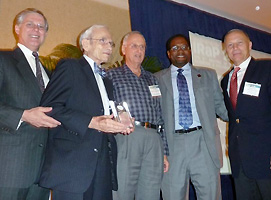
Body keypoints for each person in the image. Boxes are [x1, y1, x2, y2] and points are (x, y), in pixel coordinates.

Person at [38, 25, 132, 200]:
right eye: (102, 40)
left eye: (111, 43)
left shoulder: (107, 81)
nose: (109, 47)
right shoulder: (70, 67)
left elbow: (102, 117)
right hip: (72, 164)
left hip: (102, 162)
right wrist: (92, 122)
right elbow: (50, 107)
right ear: (85, 44)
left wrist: (119, 124)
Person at [221, 29, 271, 200]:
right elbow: (236, 118)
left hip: (270, 160)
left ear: (250, 45)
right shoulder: (226, 80)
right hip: (241, 165)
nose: (235, 48)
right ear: (226, 50)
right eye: (230, 45)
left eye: (239, 43)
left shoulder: (269, 68)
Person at [155, 34, 228, 200]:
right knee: (173, 195)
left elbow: (222, 107)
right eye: (175, 48)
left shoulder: (208, 75)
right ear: (168, 53)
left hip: (204, 142)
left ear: (189, 50)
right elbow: (154, 114)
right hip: (172, 146)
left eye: (184, 47)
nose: (180, 51)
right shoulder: (157, 78)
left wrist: (244, 116)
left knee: (210, 195)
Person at [0, 8, 61, 200]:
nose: (36, 29)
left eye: (41, 26)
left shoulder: (50, 73)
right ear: (17, 28)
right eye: (30, 24)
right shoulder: (3, 60)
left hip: (42, 172)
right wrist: (24, 115)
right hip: (10, 169)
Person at [106, 31, 169, 200]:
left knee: (151, 193)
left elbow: (159, 114)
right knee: (122, 191)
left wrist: (164, 151)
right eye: (134, 45)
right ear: (123, 49)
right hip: (128, 136)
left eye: (142, 47)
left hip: (154, 139)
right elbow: (105, 108)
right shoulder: (111, 75)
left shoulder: (152, 79)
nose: (139, 50)